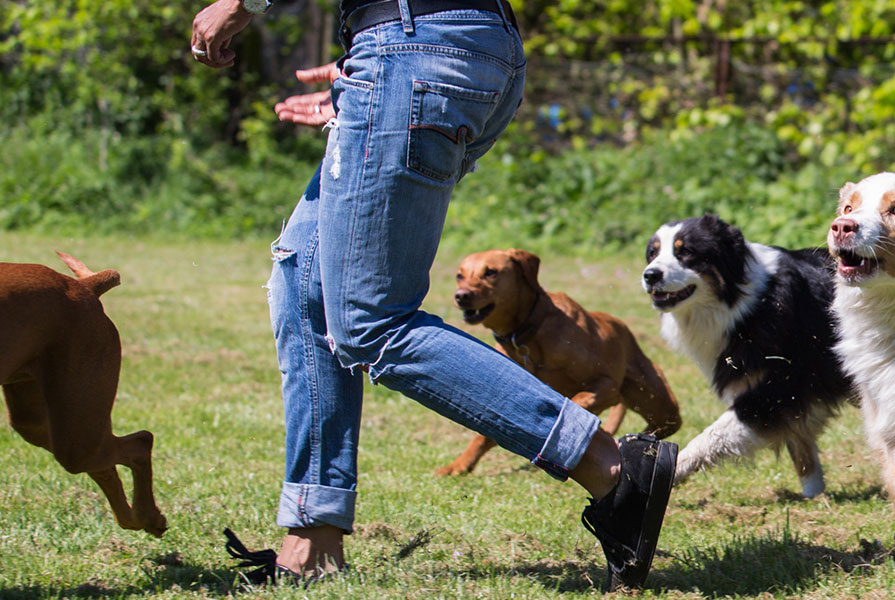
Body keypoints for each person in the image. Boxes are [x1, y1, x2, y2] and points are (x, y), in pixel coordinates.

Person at [188, 0, 677, 590]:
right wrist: (372, 82)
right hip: (429, 51)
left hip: (415, 49)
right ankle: (312, 537)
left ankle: (610, 466)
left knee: (372, 320)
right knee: (306, 284)